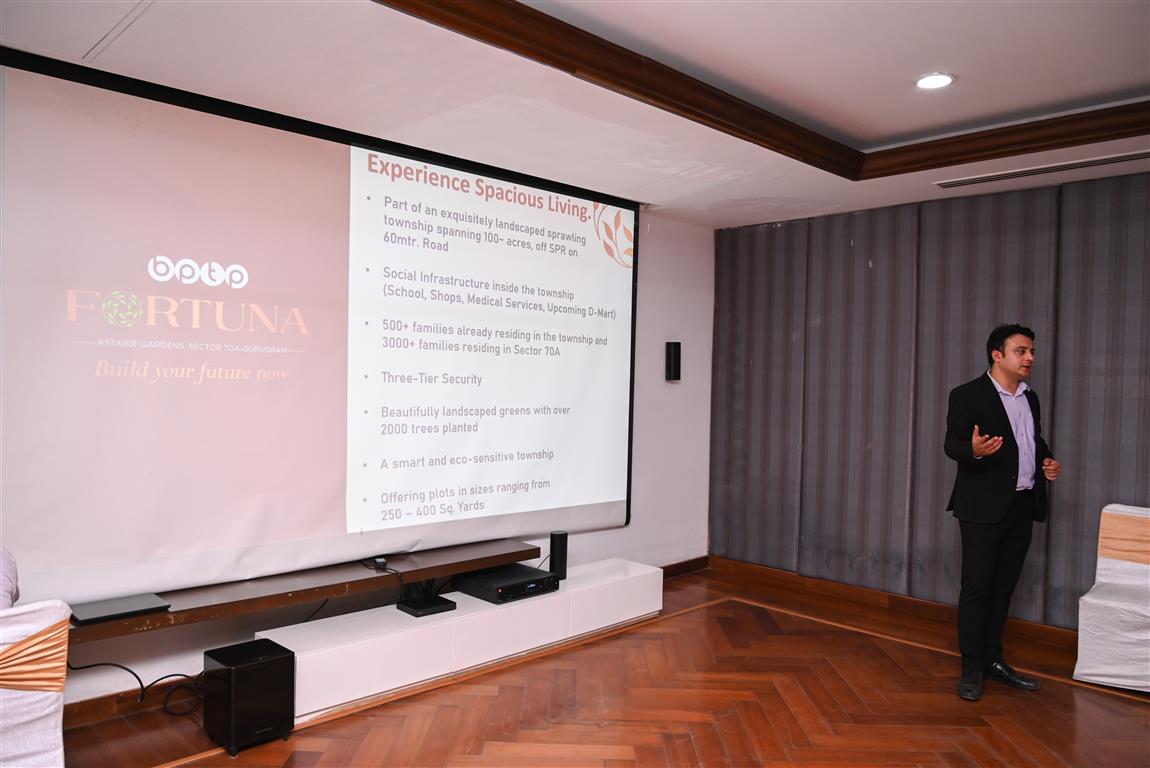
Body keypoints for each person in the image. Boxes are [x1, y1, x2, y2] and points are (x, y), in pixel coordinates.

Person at [944, 324, 1061, 701]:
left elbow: (1033, 440)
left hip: (1022, 505)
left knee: (1003, 587)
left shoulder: (1031, 398)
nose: (1030, 358)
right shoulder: (967, 395)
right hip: (982, 507)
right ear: (998, 355)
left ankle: (993, 659)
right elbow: (952, 444)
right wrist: (974, 450)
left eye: (1032, 352)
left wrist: (1046, 460)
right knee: (977, 586)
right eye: (1021, 351)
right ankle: (971, 667)